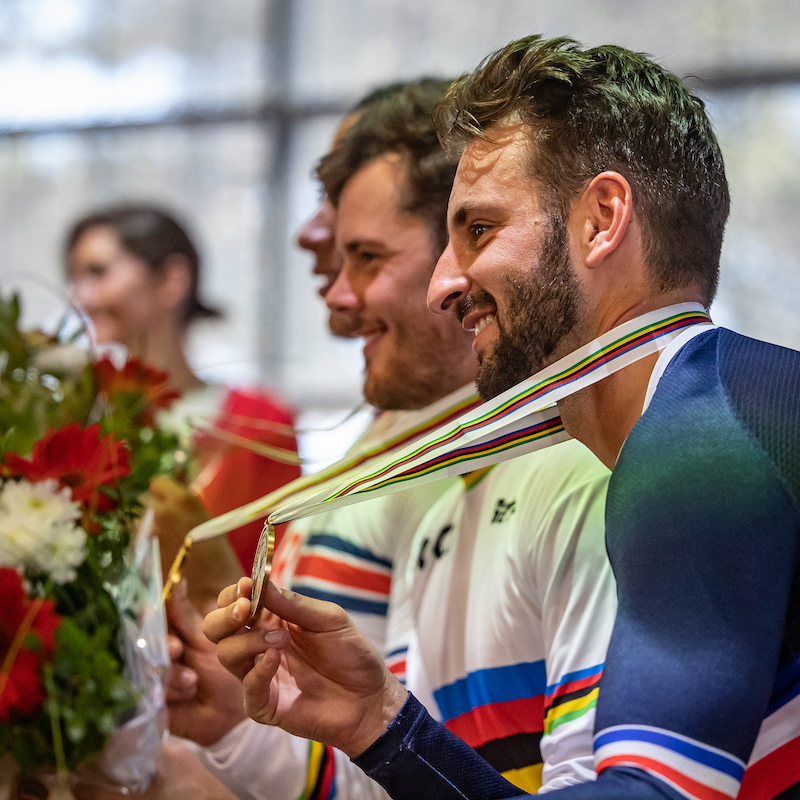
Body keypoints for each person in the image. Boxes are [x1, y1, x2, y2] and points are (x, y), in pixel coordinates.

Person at [205, 34, 800, 800]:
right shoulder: (712, 409)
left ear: (603, 218)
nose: (442, 285)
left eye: (478, 230)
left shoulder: (698, 444)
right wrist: (379, 724)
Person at [65, 204, 301, 606]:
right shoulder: (79, 419)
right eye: (73, 278)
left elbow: (278, 573)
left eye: (97, 273)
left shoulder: (259, 424)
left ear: (173, 279)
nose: (80, 297)